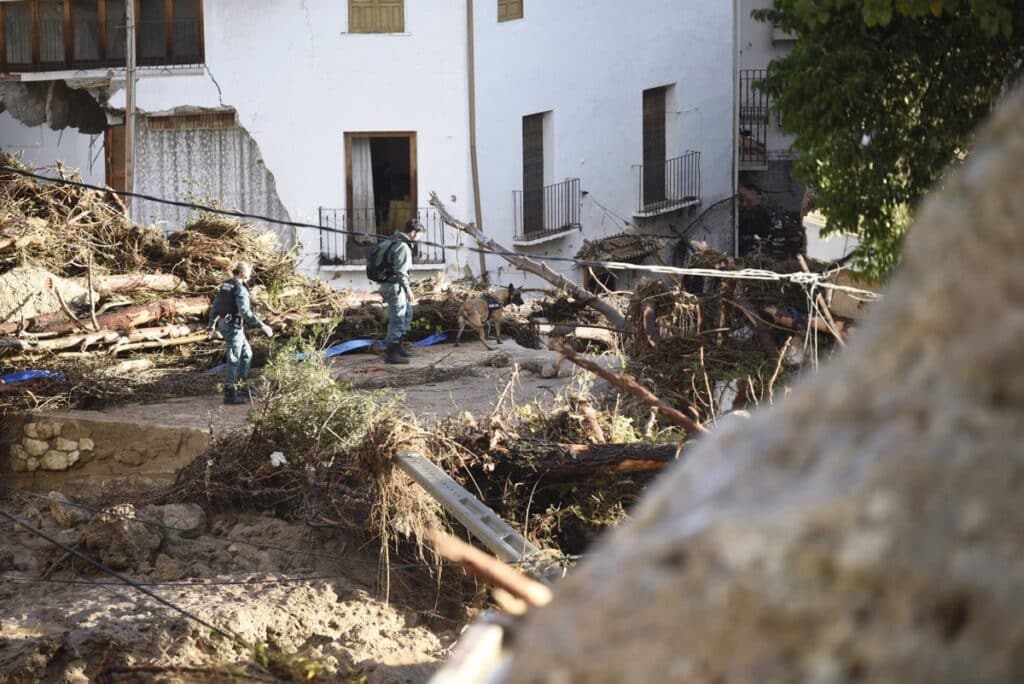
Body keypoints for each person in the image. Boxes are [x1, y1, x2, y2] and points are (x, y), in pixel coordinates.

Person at [209, 261, 273, 404]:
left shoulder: (227, 285)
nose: (250, 276)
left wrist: (212, 325)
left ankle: (241, 387)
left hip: (226, 324)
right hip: (233, 328)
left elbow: (215, 306)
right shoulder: (240, 289)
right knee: (234, 359)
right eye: (249, 273)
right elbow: (244, 312)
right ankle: (230, 394)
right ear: (244, 274)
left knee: (247, 354)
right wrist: (262, 326)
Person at [379, 219, 424, 364]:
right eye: (420, 234)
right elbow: (401, 272)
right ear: (413, 232)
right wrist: (408, 290)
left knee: (407, 314)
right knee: (398, 318)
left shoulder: (395, 240)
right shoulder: (403, 246)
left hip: (393, 285)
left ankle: (398, 348)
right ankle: (391, 354)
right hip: (395, 286)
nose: (420, 238)